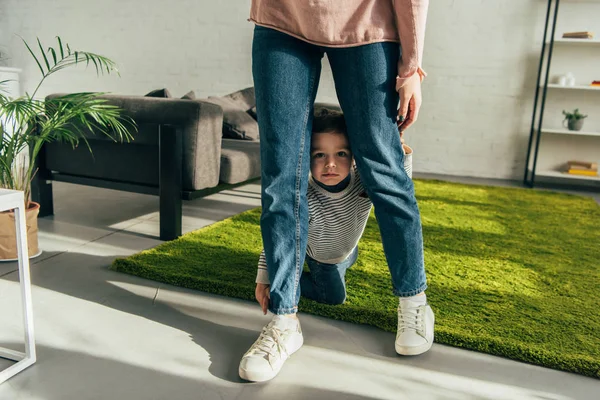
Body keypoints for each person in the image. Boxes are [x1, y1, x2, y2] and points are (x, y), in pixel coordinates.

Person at [239, 0, 434, 382]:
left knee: (384, 169)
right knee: (281, 175)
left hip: (366, 20)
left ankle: (414, 302)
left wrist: (411, 65)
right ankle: (283, 320)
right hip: (282, 18)